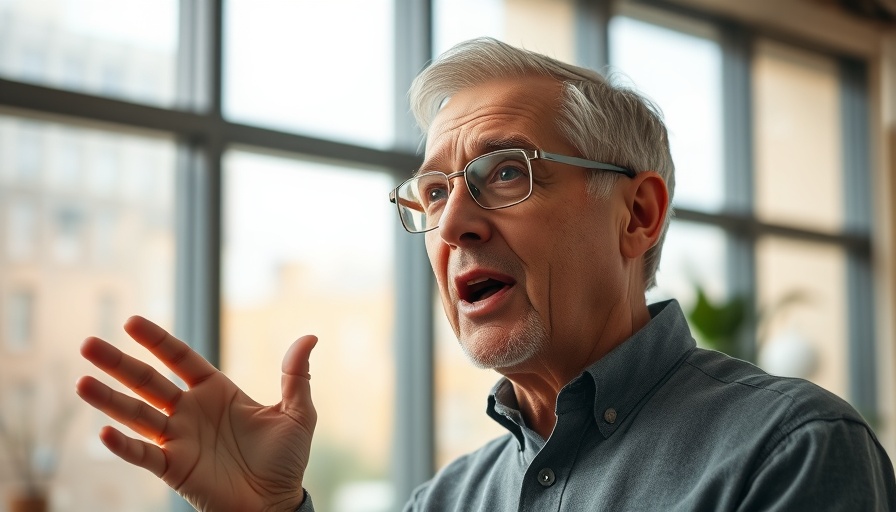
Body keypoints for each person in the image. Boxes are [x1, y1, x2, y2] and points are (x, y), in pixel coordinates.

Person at [76, 37, 895, 511]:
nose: (453, 224)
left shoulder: (789, 451)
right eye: (434, 192)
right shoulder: (445, 500)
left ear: (638, 216)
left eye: (506, 172)